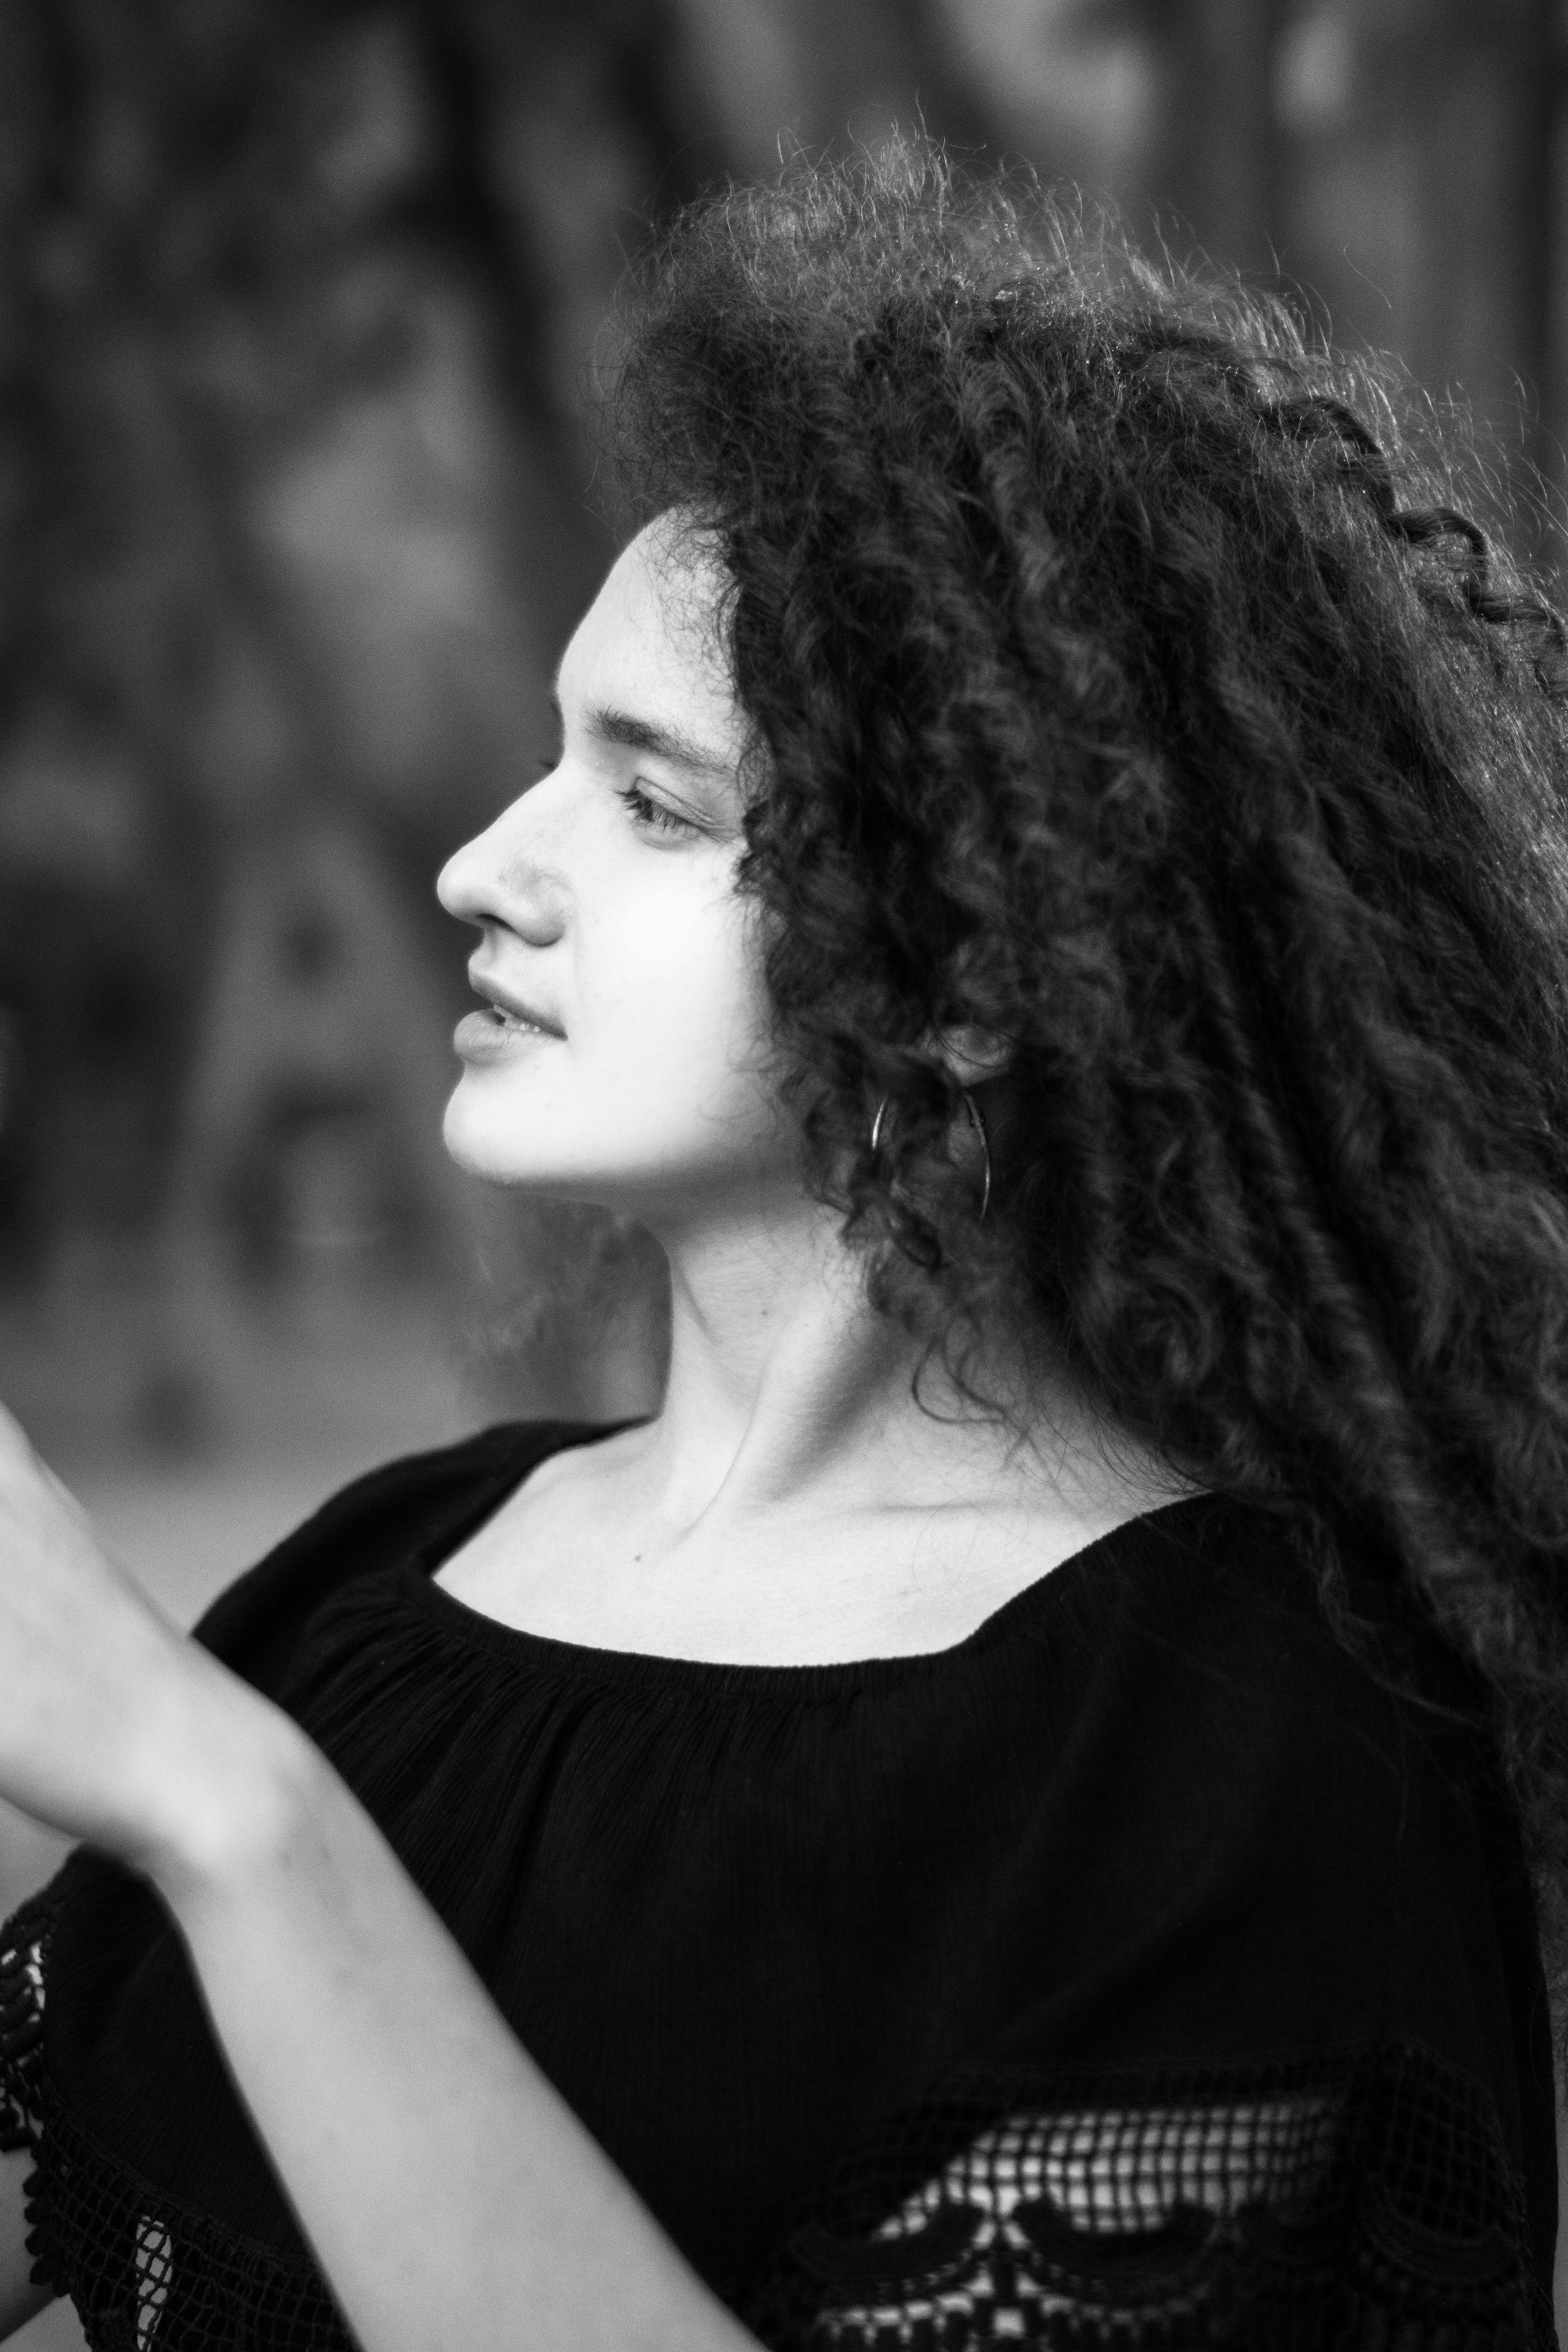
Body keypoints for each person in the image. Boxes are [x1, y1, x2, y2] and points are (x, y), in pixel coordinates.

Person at [0, 131, 1564, 2352]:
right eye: (553, 764)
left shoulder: (1237, 1754)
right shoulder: (372, 1596)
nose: (482, 866)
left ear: (977, 963)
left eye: (654, 802)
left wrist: (225, 1811)